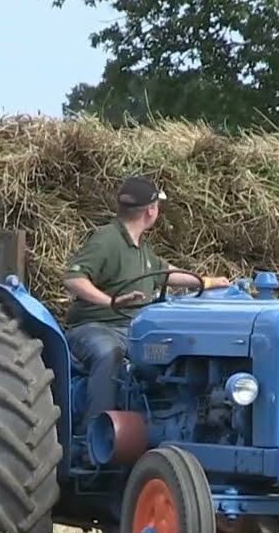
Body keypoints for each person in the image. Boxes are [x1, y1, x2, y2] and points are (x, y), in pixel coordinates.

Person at [62, 177, 228, 430]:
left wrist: (207, 282)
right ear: (151, 210)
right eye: (157, 207)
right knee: (109, 354)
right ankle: (93, 435)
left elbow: (165, 273)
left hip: (133, 329)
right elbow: (74, 278)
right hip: (96, 326)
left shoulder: (140, 246)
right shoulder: (106, 239)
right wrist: (110, 301)